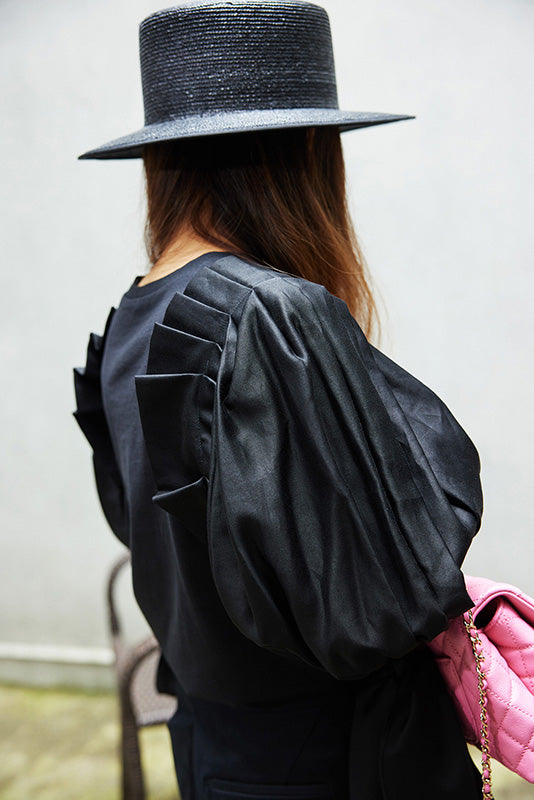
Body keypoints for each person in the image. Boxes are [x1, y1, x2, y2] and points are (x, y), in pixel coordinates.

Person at [74, 2, 484, 798]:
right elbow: (390, 594)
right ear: (303, 156)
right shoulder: (270, 317)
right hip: (332, 760)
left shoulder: (136, 311)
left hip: (215, 745)